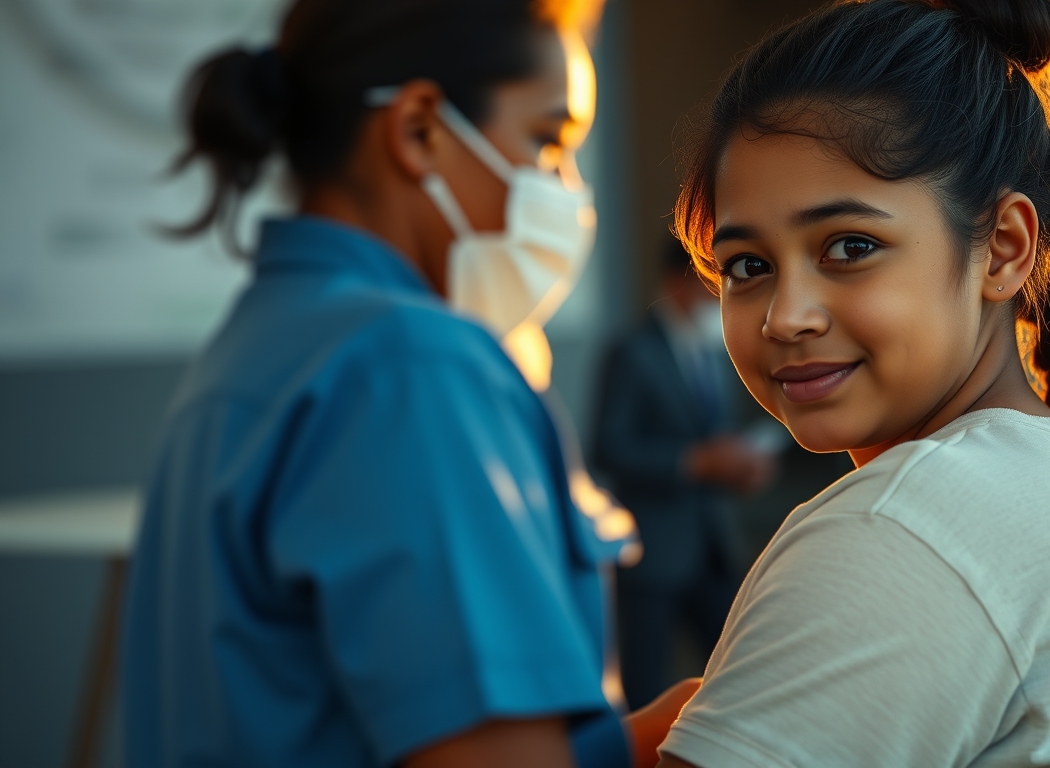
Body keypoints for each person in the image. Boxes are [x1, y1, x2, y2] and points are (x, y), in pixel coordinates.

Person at [653, 1, 1050, 765]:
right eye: (747, 266)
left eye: (849, 246)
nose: (785, 317)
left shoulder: (908, 525)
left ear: (1002, 249)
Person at [119, 2, 696, 767]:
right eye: (548, 142)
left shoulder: (259, 346)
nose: (567, 190)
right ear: (420, 129)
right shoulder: (410, 367)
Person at [592, 239, 776, 710]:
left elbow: (718, 433)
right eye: (710, 279)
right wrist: (695, 462)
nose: (719, 293)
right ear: (678, 279)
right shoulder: (632, 350)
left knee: (733, 673)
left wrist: (737, 466)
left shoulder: (712, 349)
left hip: (712, 542)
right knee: (646, 683)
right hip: (653, 548)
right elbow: (608, 448)